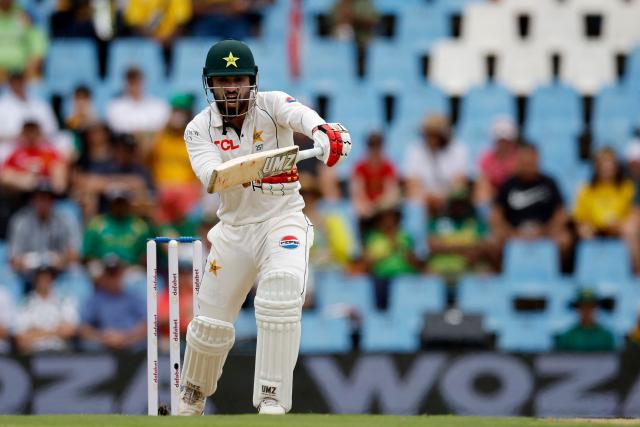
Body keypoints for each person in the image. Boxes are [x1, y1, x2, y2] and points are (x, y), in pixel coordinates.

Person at [178, 39, 351, 415]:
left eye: (238, 79)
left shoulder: (272, 104)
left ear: (251, 81)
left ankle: (272, 398)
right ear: (210, 84)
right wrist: (263, 168)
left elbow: (302, 116)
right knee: (210, 326)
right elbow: (212, 177)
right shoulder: (197, 129)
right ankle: (190, 400)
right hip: (234, 231)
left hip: (282, 220)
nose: (232, 88)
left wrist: (323, 133)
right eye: (223, 82)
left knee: (281, 294)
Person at [490, 143, 572, 265]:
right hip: (514, 232)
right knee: (492, 241)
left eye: (531, 161)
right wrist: (511, 233)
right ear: (518, 161)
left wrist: (545, 232)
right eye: (524, 162)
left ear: (537, 160)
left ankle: (555, 274)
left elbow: (561, 214)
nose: (528, 165)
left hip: (545, 232)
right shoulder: (508, 184)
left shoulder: (550, 183)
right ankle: (501, 275)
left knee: (564, 240)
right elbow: (496, 216)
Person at [574, 147, 640, 272]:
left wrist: (617, 225)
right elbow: (579, 218)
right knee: (584, 231)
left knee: (631, 229)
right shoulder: (585, 190)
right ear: (596, 166)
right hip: (595, 231)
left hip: (621, 231)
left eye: (610, 163)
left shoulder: (627, 188)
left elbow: (634, 214)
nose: (607, 168)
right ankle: (591, 274)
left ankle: (637, 274)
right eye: (603, 163)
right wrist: (589, 227)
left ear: (616, 166)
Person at [7, 180, 80, 282]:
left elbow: (74, 255)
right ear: (33, 200)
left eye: (48, 198)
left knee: (77, 275)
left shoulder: (66, 220)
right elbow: (14, 259)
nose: (43, 202)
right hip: (27, 275)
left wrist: (62, 260)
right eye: (40, 198)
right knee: (8, 277)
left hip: (58, 274)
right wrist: (26, 262)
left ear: (53, 201)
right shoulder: (21, 221)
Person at [79, 254, 146, 351]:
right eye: (109, 273)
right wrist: (103, 337)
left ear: (122, 273)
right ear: (103, 275)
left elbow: (147, 323)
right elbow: (83, 327)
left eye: (115, 273)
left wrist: (126, 337)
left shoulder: (133, 296)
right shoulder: (95, 298)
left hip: (132, 348)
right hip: (104, 349)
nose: (112, 278)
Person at [404, 114, 468, 214]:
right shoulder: (415, 150)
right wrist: (429, 198)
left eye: (434, 134)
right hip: (424, 199)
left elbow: (460, 181)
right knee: (414, 201)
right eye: (428, 133)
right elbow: (412, 184)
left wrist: (444, 197)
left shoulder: (458, 148)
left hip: (450, 198)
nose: (431, 138)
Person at [14, 265, 79, 354]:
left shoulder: (64, 300)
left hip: (61, 353)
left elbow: (70, 331)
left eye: (48, 278)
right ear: (35, 280)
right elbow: (21, 337)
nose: (44, 281)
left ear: (53, 280)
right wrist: (55, 331)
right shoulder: (26, 303)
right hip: (35, 353)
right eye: (41, 278)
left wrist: (35, 331)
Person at [350, 131, 400, 236]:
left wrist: (378, 205)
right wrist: (368, 206)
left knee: (390, 210)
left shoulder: (388, 167)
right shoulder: (360, 167)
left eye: (378, 145)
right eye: (372, 145)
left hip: (381, 206)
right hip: (366, 208)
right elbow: (357, 193)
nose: (375, 149)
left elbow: (392, 192)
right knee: (358, 211)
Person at [106, 67, 170, 134]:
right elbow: (116, 127)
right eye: (131, 82)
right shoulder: (114, 106)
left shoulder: (158, 105)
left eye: (137, 81)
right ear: (125, 83)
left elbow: (162, 126)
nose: (134, 85)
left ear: (143, 81)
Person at [475, 117, 520, 209]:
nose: (503, 144)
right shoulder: (486, 158)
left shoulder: (519, 158)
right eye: (500, 140)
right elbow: (482, 182)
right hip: (495, 195)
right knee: (482, 193)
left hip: (514, 195)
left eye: (506, 140)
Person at [0, 71, 57, 141]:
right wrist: (21, 136)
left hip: (39, 144)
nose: (18, 85)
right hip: (12, 146)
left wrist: (34, 135)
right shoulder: (2, 105)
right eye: (15, 82)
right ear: (10, 84)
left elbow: (52, 128)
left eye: (20, 81)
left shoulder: (40, 104)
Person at [0, 0, 47, 81]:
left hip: (21, 73)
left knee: (36, 78)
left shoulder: (24, 14)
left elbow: (38, 44)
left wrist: (32, 64)